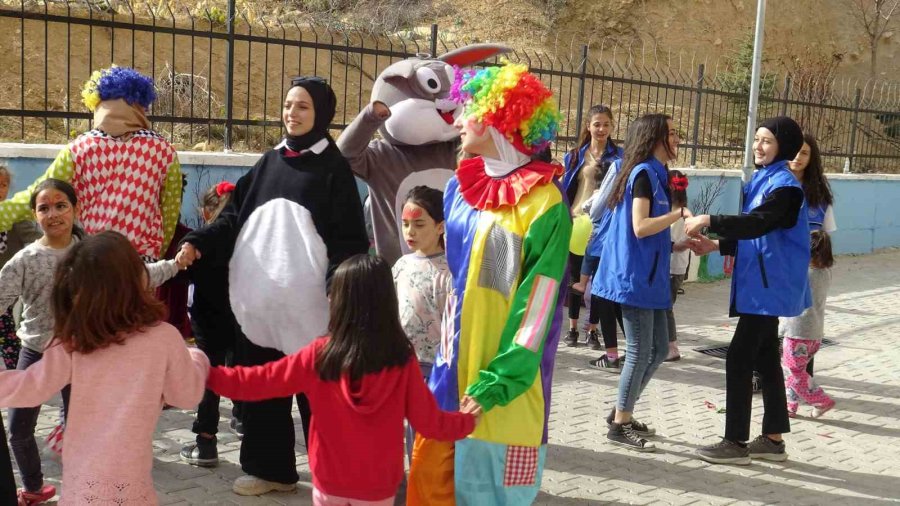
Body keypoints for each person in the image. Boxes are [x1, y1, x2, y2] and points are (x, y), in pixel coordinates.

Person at [178, 76, 369, 496]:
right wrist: (198, 241)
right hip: (261, 308)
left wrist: (338, 283)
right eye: (287, 105)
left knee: (321, 398)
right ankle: (271, 470)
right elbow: (233, 217)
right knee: (264, 389)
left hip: (313, 310)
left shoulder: (333, 168)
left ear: (321, 114)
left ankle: (334, 473)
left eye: (302, 106)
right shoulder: (270, 162)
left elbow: (350, 239)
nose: (292, 113)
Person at [409, 62, 571, 505]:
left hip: (506, 384)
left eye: (469, 111)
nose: (458, 120)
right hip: (449, 370)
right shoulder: (460, 190)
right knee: (429, 485)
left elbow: (536, 307)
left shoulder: (545, 204)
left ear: (502, 118)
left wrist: (498, 381)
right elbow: (464, 282)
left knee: (491, 494)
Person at [207, 254, 477, 505]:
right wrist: (469, 419)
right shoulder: (400, 359)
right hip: (378, 487)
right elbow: (429, 422)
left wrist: (207, 375)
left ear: (340, 301)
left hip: (329, 482)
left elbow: (258, 381)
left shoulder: (319, 355)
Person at [0, 179, 188, 504]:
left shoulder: (91, 255)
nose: (54, 214)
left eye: (61, 205)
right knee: (18, 429)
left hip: (84, 352)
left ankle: (85, 485)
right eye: (44, 208)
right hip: (36, 353)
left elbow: (138, 276)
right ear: (34, 215)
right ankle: (33, 487)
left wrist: (175, 265)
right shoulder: (26, 259)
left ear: (76, 209)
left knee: (83, 429)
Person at [687, 116, 811, 465]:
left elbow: (759, 224)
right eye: (757, 139)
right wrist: (717, 246)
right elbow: (759, 236)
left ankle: (735, 442)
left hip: (770, 287)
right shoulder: (764, 179)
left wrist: (710, 220)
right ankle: (772, 440)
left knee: (740, 357)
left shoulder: (785, 187)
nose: (758, 146)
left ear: (783, 146)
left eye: (767, 141)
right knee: (766, 360)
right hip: (762, 284)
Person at [0, 66, 183, 261]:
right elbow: (169, 212)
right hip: (140, 261)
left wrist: (3, 214)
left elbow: (38, 194)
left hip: (92, 258)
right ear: (140, 106)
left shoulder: (79, 149)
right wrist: (158, 253)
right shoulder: (164, 152)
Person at [592, 114, 689, 452]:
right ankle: (620, 424)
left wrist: (677, 243)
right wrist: (679, 215)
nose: (676, 138)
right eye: (671, 133)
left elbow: (651, 233)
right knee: (637, 351)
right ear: (654, 137)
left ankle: (622, 408)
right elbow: (640, 227)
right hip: (633, 278)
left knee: (661, 348)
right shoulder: (644, 173)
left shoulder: (659, 174)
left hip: (651, 277)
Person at [180, 181, 244, 468]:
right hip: (239, 316)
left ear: (206, 211)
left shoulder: (200, 241)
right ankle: (242, 419)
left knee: (209, 378)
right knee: (240, 367)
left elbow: (180, 276)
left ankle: (206, 442)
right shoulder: (244, 237)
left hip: (207, 320)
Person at [562, 105, 623, 347]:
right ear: (588, 126)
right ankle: (573, 328)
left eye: (606, 124)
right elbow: (567, 188)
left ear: (612, 127)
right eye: (597, 124)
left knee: (599, 278)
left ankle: (593, 329)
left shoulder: (619, 157)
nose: (601, 129)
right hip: (576, 222)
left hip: (603, 226)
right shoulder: (575, 155)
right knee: (576, 277)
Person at [789, 132, 836, 377]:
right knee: (777, 325)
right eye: (794, 151)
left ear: (812, 157)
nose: (797, 157)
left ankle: (803, 380)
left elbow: (827, 232)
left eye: (804, 152)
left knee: (806, 323)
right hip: (780, 266)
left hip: (810, 269)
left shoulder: (819, 194)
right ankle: (773, 378)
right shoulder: (775, 183)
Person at [781, 230, 835, 418]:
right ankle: (791, 406)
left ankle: (821, 400)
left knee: (794, 372)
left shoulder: (804, 273)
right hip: (815, 333)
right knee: (797, 371)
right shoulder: (826, 272)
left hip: (798, 332)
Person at [0, 166, 41, 371]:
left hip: (6, 285)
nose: (0, 189)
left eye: (4, 185)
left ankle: (18, 372)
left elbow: (36, 239)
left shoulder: (13, 215)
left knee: (6, 328)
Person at [666, 170, 692, 362]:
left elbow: (679, 244)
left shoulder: (673, 215)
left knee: (665, 308)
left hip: (670, 268)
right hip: (678, 270)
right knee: (665, 307)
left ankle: (671, 346)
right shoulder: (686, 213)